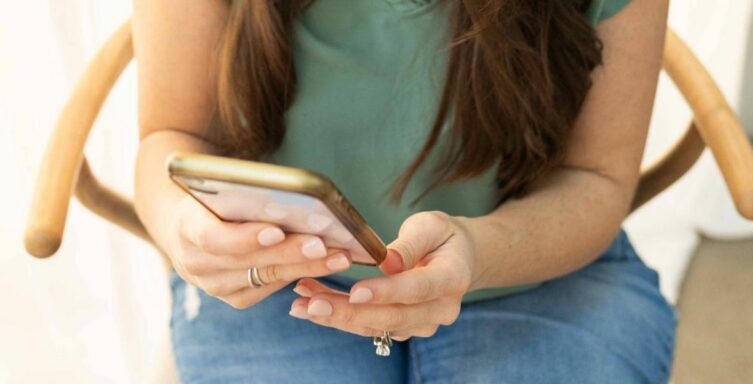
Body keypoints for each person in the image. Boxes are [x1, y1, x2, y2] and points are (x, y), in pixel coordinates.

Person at [133, 0, 675, 382]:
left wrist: (478, 254)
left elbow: (596, 178)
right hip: (280, 288)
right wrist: (185, 226)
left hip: (537, 267)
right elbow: (169, 138)